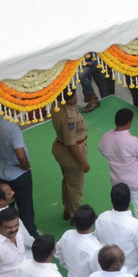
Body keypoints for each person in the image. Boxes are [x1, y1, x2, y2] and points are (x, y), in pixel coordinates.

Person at [97, 109, 138, 227]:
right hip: (136, 182)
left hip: (117, 182)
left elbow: (101, 149)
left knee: (119, 210)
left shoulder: (105, 137)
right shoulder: (133, 141)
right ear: (128, 123)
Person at [50, 89, 90, 219]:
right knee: (76, 186)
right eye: (72, 97)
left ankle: (67, 209)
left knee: (68, 181)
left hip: (60, 148)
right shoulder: (69, 118)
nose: (75, 98)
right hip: (72, 153)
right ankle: (76, 216)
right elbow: (71, 143)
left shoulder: (57, 106)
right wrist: (83, 161)